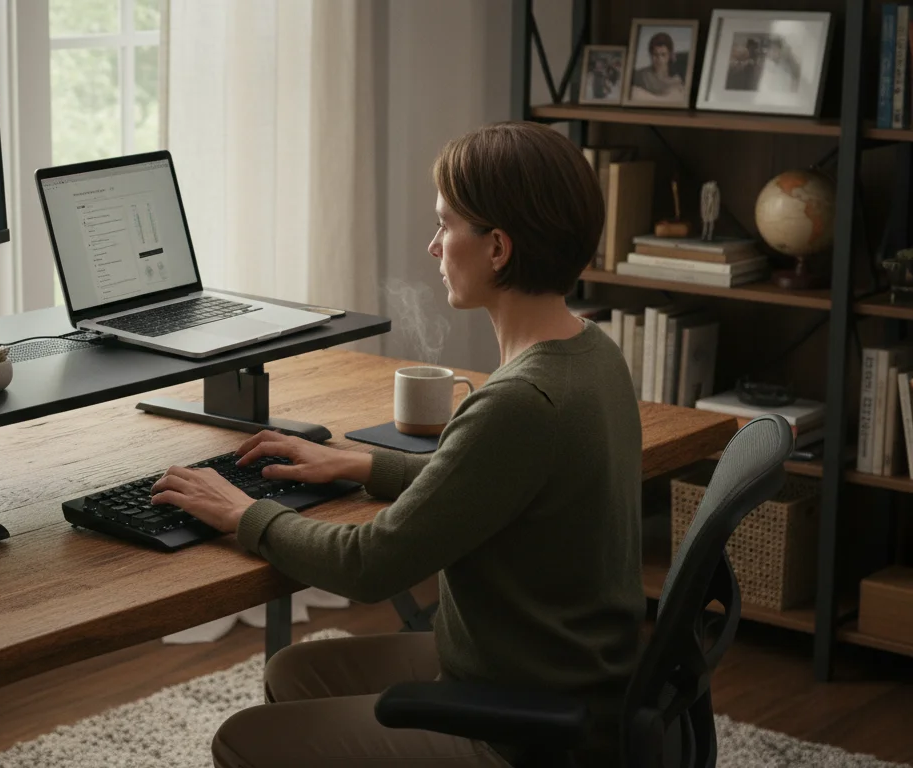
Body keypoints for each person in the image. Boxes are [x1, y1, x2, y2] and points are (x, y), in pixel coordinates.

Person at [150, 121, 643, 767]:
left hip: (530, 727)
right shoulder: (591, 355)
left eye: (445, 225)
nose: (433, 246)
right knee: (297, 671)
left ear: (497, 248)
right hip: (562, 671)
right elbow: (489, 482)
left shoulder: (520, 402)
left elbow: (369, 565)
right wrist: (361, 462)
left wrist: (243, 513)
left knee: (242, 741)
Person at [631, 30, 685, 100]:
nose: (659, 59)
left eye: (663, 54)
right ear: (650, 54)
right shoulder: (641, 76)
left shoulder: (677, 80)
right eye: (655, 55)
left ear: (670, 55)